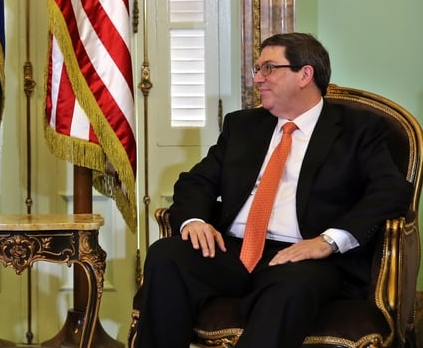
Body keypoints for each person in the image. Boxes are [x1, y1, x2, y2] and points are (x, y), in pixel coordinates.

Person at [132, 33, 412, 348]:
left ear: (305, 74)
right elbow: (196, 180)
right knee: (167, 255)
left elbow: (391, 191)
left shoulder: (359, 130)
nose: (256, 78)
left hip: (304, 258)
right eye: (257, 68)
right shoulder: (243, 126)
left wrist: (327, 241)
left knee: (289, 288)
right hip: (232, 251)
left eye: (268, 68)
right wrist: (194, 220)